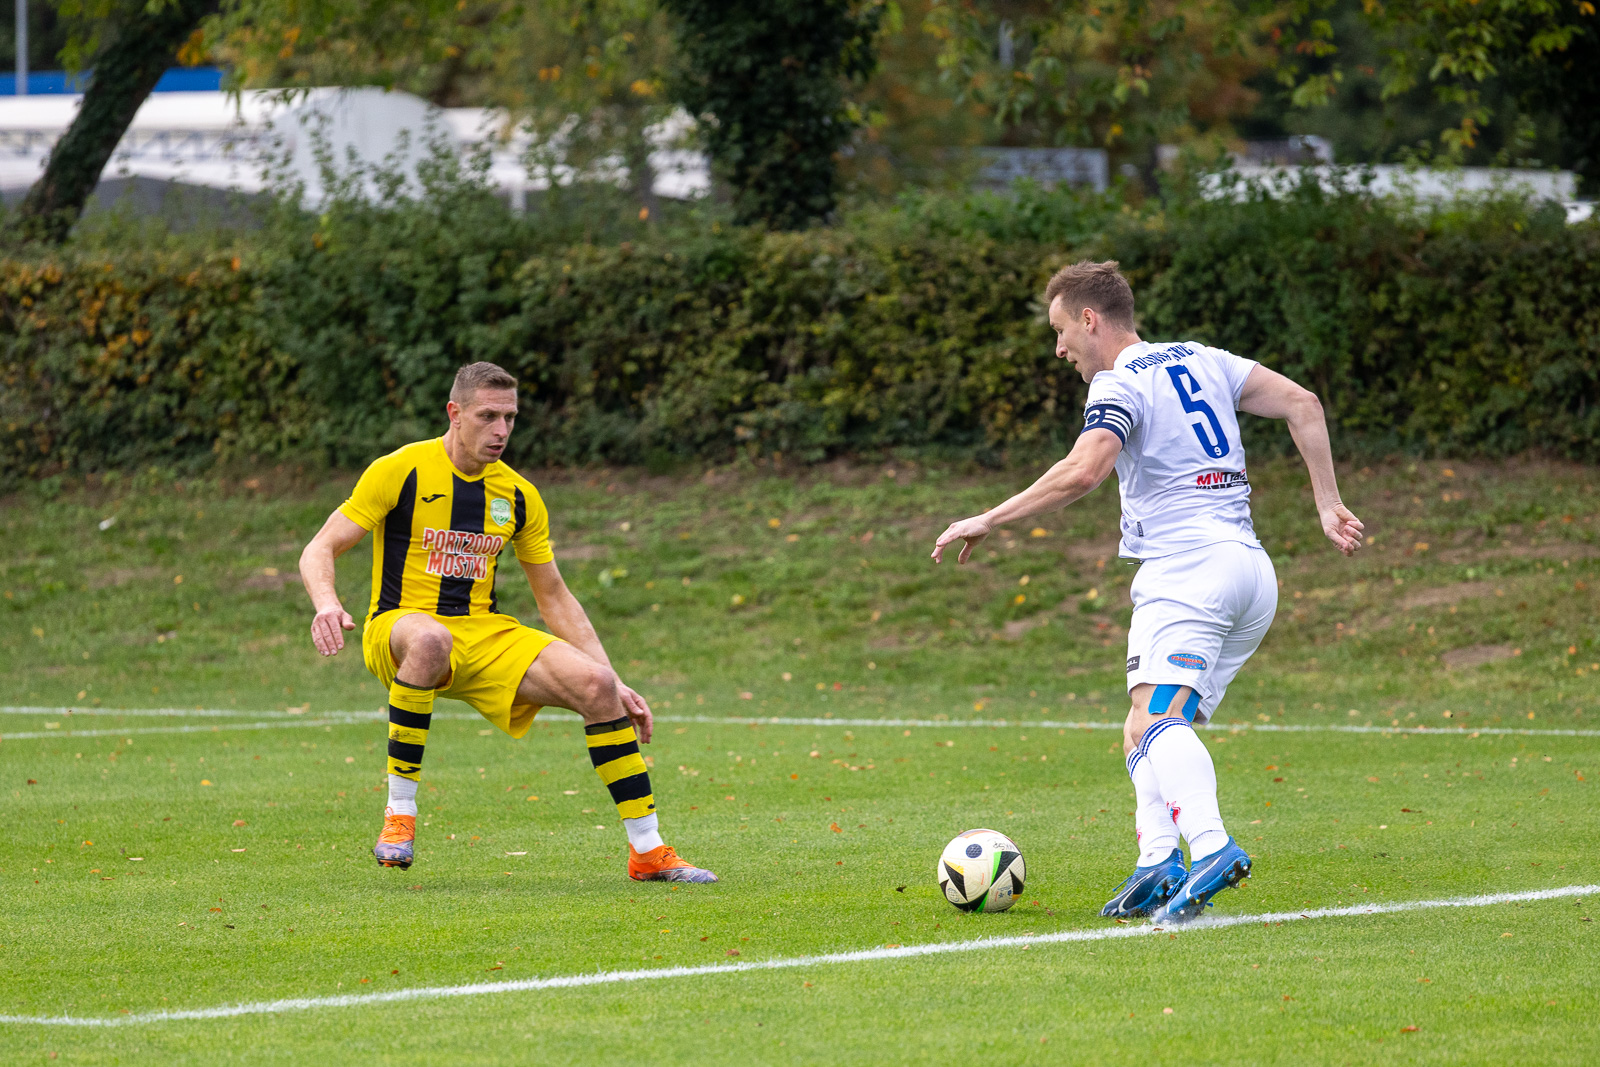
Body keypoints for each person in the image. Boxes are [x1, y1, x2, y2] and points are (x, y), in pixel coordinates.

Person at [931, 261, 1361, 921]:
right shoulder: (1204, 358)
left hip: (1188, 571)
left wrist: (990, 517)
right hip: (1247, 568)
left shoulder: (1118, 383)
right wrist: (1326, 503)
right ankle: (1159, 859)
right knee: (1143, 724)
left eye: (1060, 330)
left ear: (1090, 319)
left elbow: (1084, 470)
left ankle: (1211, 846)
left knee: (1158, 718)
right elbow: (1303, 402)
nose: (1059, 348)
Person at [297, 361, 716, 883]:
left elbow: (554, 596)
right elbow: (320, 547)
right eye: (487, 416)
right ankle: (400, 814)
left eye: (510, 418)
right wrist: (326, 603)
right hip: (400, 626)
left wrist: (615, 680)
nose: (501, 430)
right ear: (454, 413)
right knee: (431, 638)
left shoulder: (517, 494)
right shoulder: (401, 470)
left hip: (483, 630)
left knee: (596, 686)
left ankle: (648, 851)